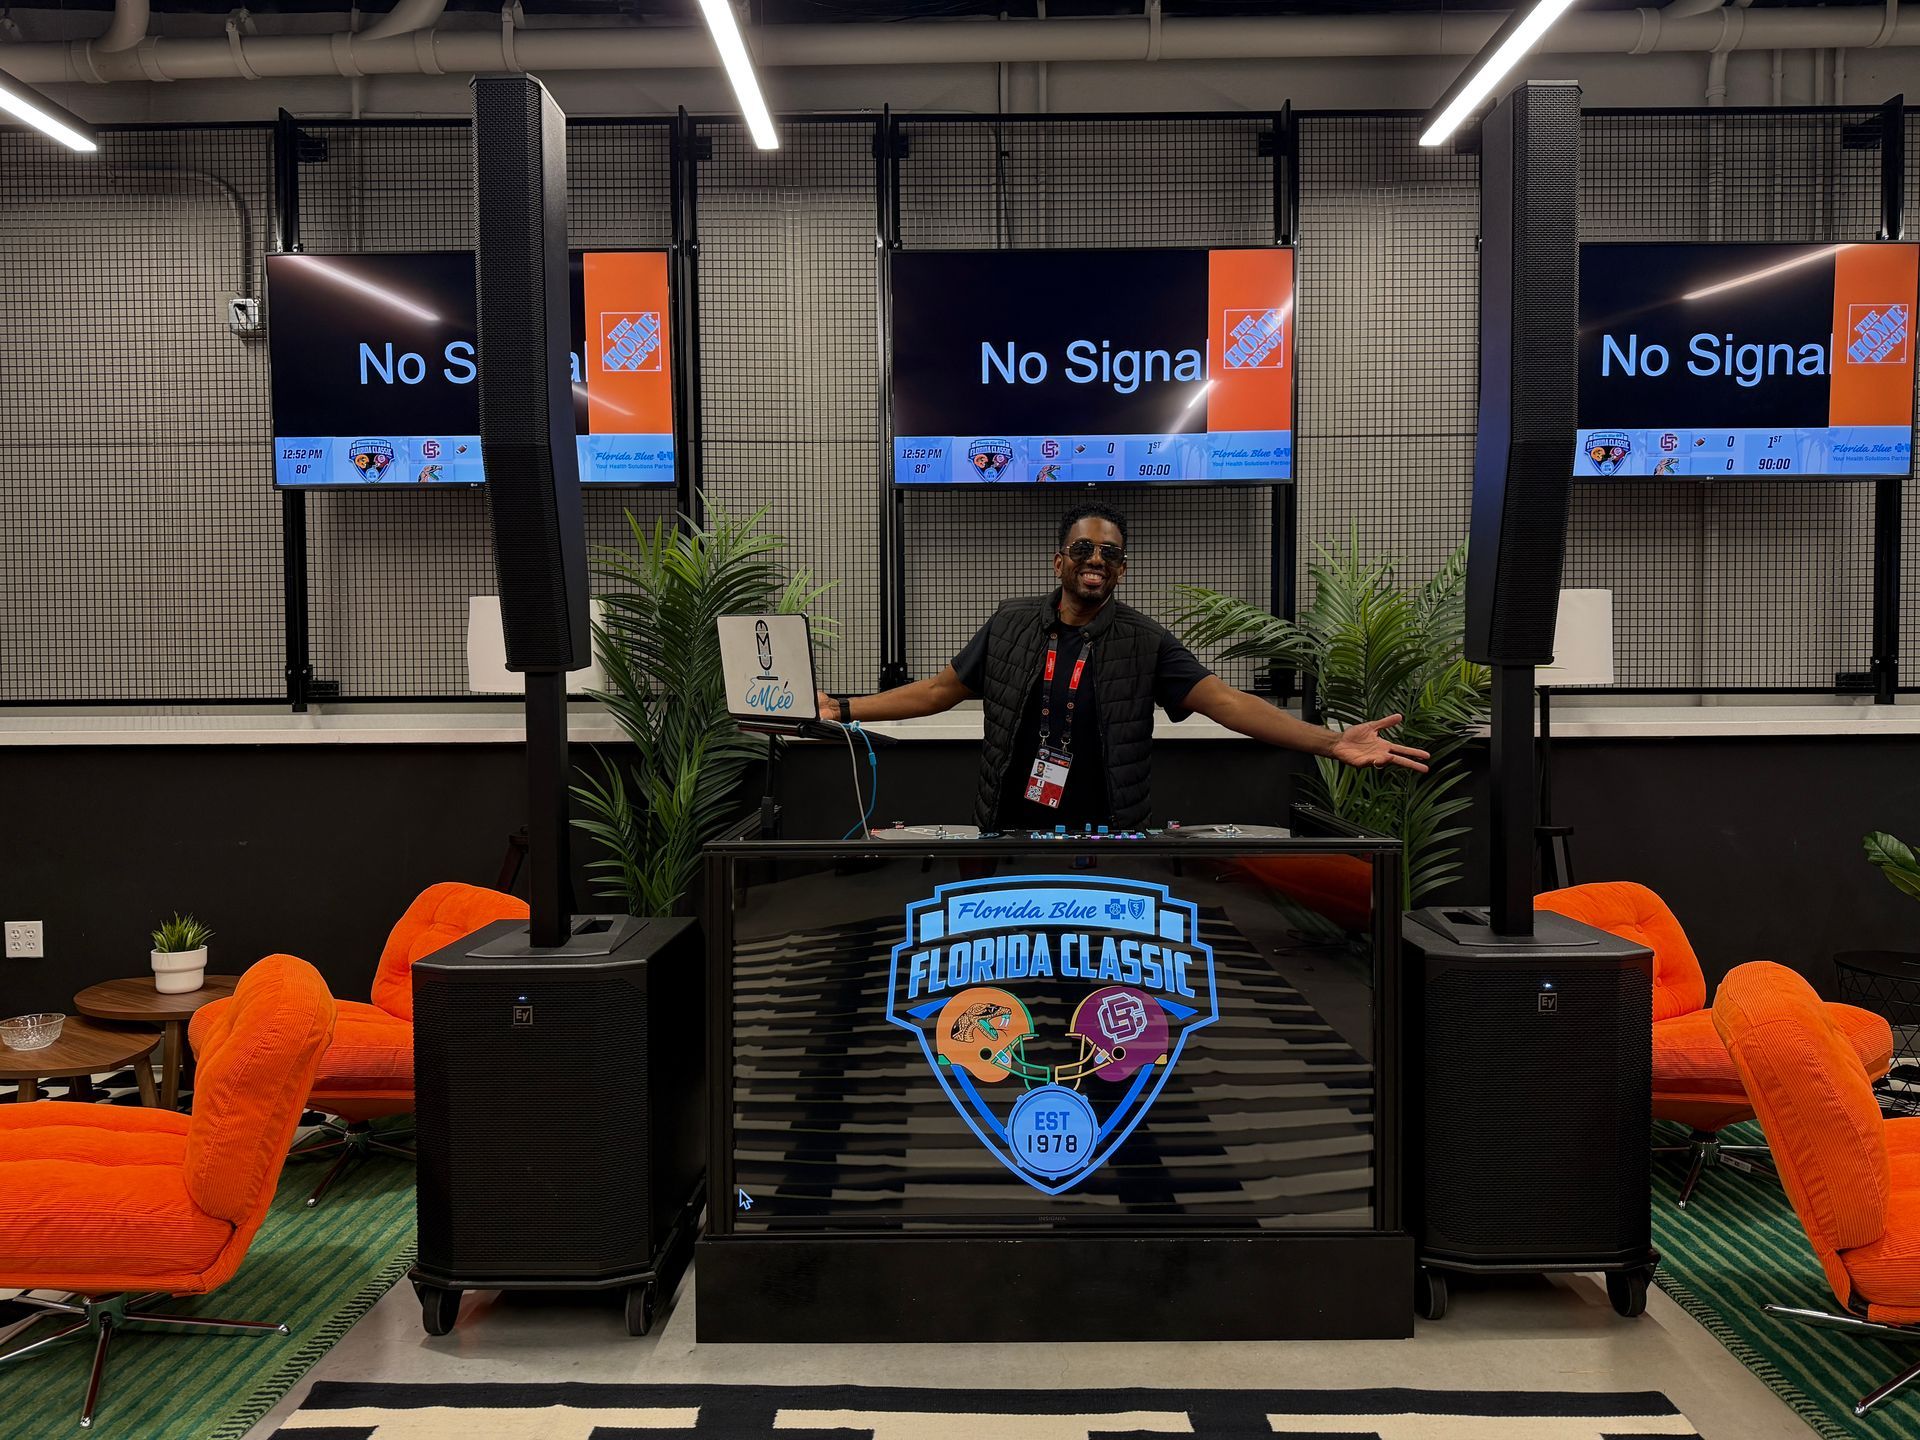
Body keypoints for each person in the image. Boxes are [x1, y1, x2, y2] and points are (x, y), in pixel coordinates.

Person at [817, 502, 1429, 832]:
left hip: (1110, 836)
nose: (1096, 559)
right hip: (1008, 830)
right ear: (1059, 561)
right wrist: (842, 709)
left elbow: (1232, 706)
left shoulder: (1145, 641)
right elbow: (938, 691)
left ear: (1121, 570)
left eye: (1110, 553)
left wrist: (1331, 742)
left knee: (1094, 992)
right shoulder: (1009, 623)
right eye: (1083, 548)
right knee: (1013, 978)